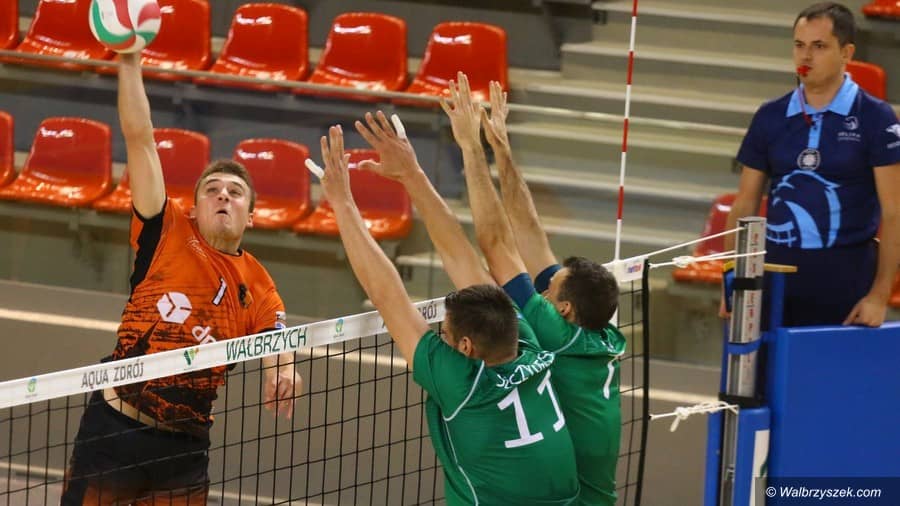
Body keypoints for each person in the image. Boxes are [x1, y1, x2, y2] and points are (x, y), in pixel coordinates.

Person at [61, 53, 302, 505]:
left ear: (251, 216)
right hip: (114, 431)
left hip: (185, 451)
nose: (223, 196)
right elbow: (140, 139)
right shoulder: (167, 227)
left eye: (235, 193)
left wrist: (283, 370)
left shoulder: (258, 284)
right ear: (194, 207)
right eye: (212, 190)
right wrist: (129, 61)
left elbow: (277, 339)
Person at [312, 120, 580, 505]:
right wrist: (412, 174)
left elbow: (387, 295)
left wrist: (341, 202)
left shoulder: (464, 384)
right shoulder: (528, 345)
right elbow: (461, 256)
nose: (442, 337)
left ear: (466, 347)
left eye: (446, 334)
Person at [440, 72, 627, 506]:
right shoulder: (598, 330)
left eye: (548, 292)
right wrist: (502, 148)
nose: (541, 292)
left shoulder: (558, 336)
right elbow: (530, 234)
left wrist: (470, 147)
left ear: (564, 309)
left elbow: (496, 244)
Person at [724, 2, 900, 327]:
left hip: (846, 276)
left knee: (832, 362)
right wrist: (732, 279)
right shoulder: (770, 115)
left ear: (846, 53)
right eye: (799, 45)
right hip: (774, 272)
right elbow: (744, 204)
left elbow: (894, 213)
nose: (805, 57)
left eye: (819, 46)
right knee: (765, 362)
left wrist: (879, 295)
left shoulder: (876, 117)